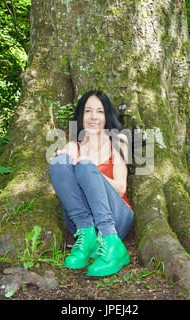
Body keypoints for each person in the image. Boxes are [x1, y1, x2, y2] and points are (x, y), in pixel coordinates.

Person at [49, 90, 134, 277]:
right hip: (83, 220)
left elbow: (120, 189)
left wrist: (93, 171)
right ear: (81, 115)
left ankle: (112, 245)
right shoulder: (74, 145)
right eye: (88, 111)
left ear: (107, 116)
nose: (93, 117)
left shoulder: (119, 141)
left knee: (86, 166)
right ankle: (86, 237)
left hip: (116, 217)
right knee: (58, 162)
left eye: (100, 111)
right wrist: (64, 157)